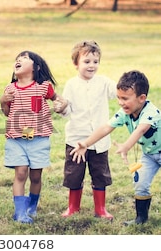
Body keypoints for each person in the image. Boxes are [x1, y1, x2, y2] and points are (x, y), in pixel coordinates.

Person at [71, 70, 161, 225]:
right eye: (119, 97)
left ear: (142, 98)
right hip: (149, 155)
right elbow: (106, 128)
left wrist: (126, 146)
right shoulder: (125, 113)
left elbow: (141, 129)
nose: (120, 102)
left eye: (125, 98)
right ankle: (141, 218)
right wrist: (86, 143)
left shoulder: (150, 112)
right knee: (140, 183)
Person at [0, 50, 65, 224]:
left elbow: (59, 99)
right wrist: (2, 101)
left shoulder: (44, 86)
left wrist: (61, 104)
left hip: (39, 139)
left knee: (35, 176)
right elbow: (7, 113)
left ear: (36, 67)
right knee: (20, 174)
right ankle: (20, 212)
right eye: (17, 59)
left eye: (24, 58)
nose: (18, 60)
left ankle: (31, 207)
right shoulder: (10, 89)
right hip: (16, 139)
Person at [55, 40, 116, 220]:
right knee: (74, 174)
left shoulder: (104, 82)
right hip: (76, 140)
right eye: (87, 61)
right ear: (76, 64)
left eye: (95, 61)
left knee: (100, 174)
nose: (92, 65)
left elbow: (118, 91)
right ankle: (73, 207)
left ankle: (101, 208)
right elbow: (66, 111)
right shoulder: (72, 85)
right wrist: (62, 107)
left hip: (99, 141)